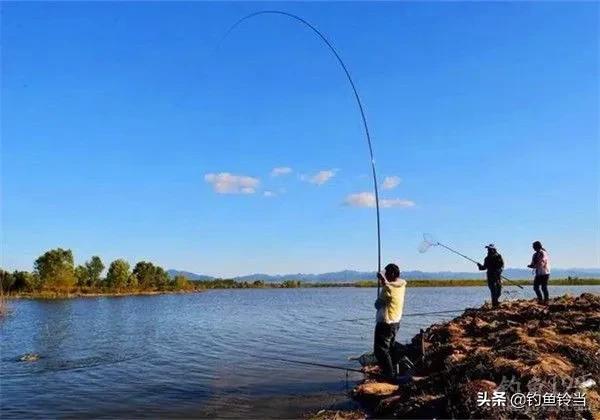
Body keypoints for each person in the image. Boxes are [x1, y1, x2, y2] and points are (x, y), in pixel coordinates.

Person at [373, 263, 406, 380]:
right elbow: (391, 286)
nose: (385, 275)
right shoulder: (401, 285)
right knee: (390, 349)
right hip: (396, 322)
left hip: (385, 323)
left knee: (380, 351)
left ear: (391, 274)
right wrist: (384, 280)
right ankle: (392, 372)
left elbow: (377, 305)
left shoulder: (387, 288)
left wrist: (383, 283)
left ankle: (389, 375)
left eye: (386, 273)